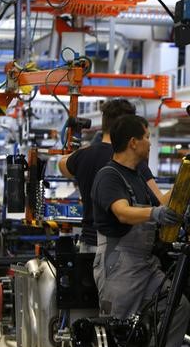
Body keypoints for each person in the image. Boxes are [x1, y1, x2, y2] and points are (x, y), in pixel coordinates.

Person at [90, 115, 190, 347]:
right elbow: (122, 213)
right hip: (119, 262)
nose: (149, 142)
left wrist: (188, 176)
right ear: (133, 142)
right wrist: (156, 213)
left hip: (146, 264)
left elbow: (162, 202)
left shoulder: (137, 175)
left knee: (178, 307)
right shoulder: (109, 175)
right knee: (117, 333)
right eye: (147, 137)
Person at [58, 98, 169, 253]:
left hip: (87, 244)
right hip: (116, 250)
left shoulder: (83, 156)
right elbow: (160, 202)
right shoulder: (130, 160)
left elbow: (62, 164)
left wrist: (87, 149)